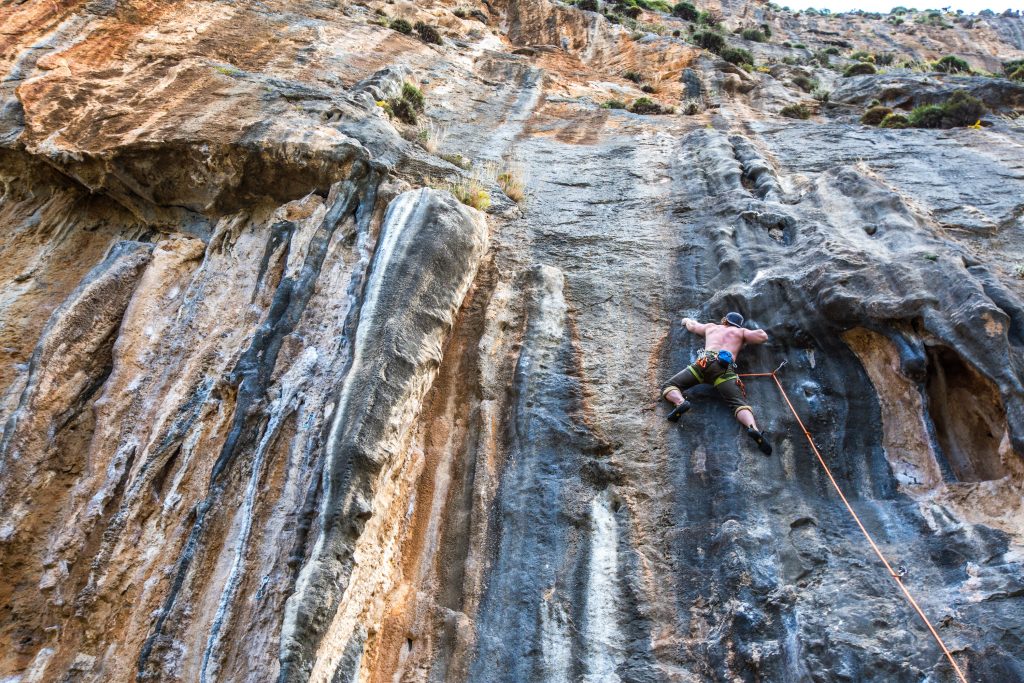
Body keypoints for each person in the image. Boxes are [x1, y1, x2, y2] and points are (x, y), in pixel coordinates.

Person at [661, 311, 773, 455]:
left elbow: (692, 326)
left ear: (725, 320)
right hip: (724, 371)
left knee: (669, 385)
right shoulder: (740, 332)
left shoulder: (711, 327)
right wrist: (744, 336)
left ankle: (680, 402)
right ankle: (753, 428)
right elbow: (763, 337)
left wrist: (686, 320)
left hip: (703, 363)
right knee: (739, 404)